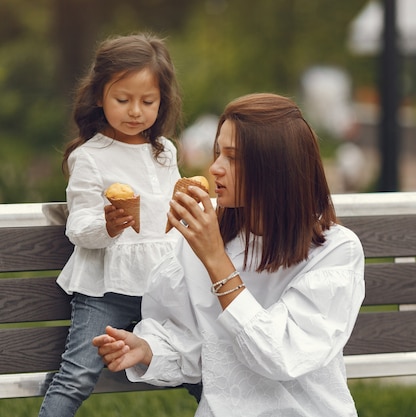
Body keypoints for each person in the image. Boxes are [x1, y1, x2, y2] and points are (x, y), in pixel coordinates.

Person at [93, 93, 366, 416]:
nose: (215, 169)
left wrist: (216, 260)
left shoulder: (335, 252)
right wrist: (147, 349)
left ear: (275, 168)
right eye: (218, 152)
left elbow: (280, 355)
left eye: (233, 158)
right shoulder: (206, 234)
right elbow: (196, 347)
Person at [38, 33, 184, 417]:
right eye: (123, 99)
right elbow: (80, 227)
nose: (135, 111)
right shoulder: (90, 156)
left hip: (162, 286)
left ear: (162, 102)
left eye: (148, 101)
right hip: (106, 290)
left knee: (202, 364)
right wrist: (109, 225)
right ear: (100, 95)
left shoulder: (164, 151)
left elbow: (168, 216)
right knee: (77, 375)